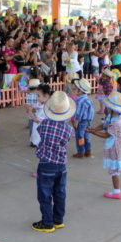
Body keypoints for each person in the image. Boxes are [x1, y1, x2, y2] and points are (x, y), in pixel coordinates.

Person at [32, 91, 75, 232]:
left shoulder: (44, 124)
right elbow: (66, 140)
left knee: (44, 194)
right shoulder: (68, 129)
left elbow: (40, 133)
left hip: (46, 164)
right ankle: (58, 220)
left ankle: (47, 223)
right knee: (60, 192)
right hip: (61, 164)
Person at [86, 91, 121, 199]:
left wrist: (93, 132)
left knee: (115, 169)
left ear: (112, 108)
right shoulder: (112, 116)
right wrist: (95, 128)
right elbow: (104, 124)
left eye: (107, 105)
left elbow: (106, 135)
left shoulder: (116, 122)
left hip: (116, 146)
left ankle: (117, 192)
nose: (105, 107)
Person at [72, 79, 94, 158]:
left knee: (80, 137)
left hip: (81, 121)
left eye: (76, 89)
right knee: (86, 136)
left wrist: (76, 121)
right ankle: (88, 150)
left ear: (80, 91)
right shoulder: (88, 99)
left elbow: (78, 113)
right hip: (88, 121)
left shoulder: (79, 100)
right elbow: (91, 111)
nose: (75, 90)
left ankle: (80, 152)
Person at [27, 84, 52, 149]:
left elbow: (37, 120)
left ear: (46, 96)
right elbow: (37, 110)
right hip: (42, 130)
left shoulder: (45, 107)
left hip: (41, 129)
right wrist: (34, 110)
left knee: (41, 144)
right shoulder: (42, 103)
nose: (37, 98)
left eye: (38, 96)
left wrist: (30, 113)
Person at [25, 79, 40, 144]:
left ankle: (32, 141)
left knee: (31, 128)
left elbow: (27, 105)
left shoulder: (28, 95)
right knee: (37, 128)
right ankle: (37, 140)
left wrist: (29, 109)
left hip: (31, 114)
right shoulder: (38, 95)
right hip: (38, 114)